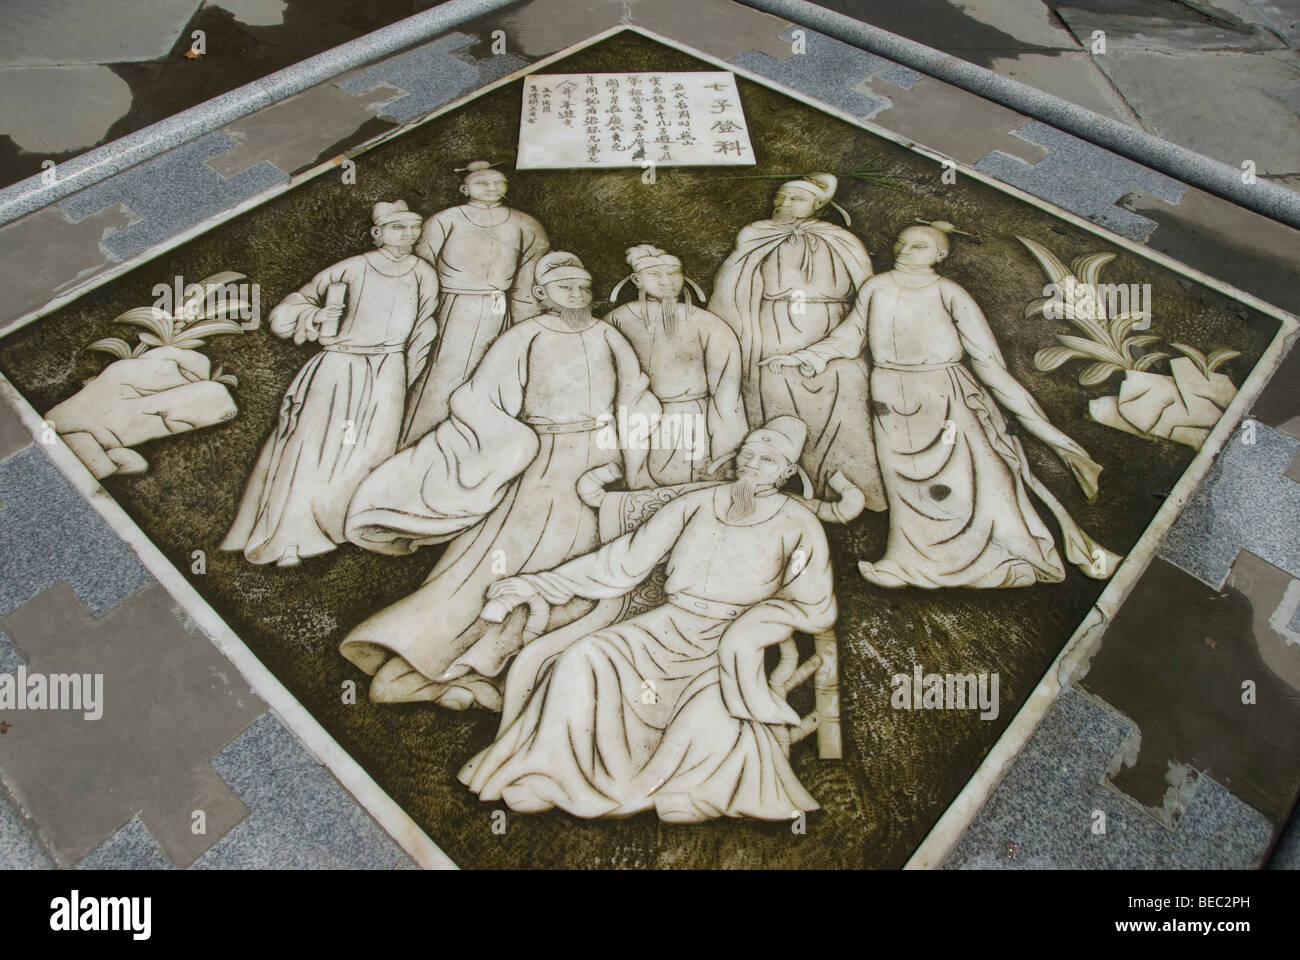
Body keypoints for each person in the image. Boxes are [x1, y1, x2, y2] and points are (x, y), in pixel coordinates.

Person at [459, 417, 836, 822]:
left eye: (765, 459)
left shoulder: (800, 524)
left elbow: (815, 605)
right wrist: (541, 584)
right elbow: (622, 561)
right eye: (747, 454)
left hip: (722, 643)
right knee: (585, 657)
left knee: (713, 712)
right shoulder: (696, 503)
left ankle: (684, 792)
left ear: (788, 471)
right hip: (664, 627)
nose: (750, 464)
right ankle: (550, 775)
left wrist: (753, 628)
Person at [340, 251, 661, 708]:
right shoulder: (524, 336)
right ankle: (431, 662)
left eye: (583, 286)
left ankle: (518, 671)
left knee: (586, 565)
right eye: (564, 286)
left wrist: (630, 457)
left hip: (600, 463)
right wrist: (515, 444)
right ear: (541, 294)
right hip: (541, 466)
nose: (576, 294)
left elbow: (635, 394)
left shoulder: (609, 336)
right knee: (508, 561)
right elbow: (480, 399)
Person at [765, 222, 1121, 588]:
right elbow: (852, 334)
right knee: (905, 482)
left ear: (940, 254)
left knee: (977, 476)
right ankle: (907, 563)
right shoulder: (876, 288)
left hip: (943, 391)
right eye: (900, 243)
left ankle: (1010, 556)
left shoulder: (949, 291)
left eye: (918, 246)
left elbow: (984, 355)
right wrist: (811, 356)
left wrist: (1016, 402)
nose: (904, 251)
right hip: (888, 391)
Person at [221, 200, 437, 567]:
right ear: (377, 233)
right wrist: (317, 315)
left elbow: (424, 325)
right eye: (399, 227)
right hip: (340, 366)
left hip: (389, 370)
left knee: (373, 449)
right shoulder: (351, 269)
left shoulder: (422, 272)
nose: (409, 234)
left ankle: (347, 528)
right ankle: (291, 536)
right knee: (315, 448)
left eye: (414, 227)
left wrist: (405, 372)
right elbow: (287, 312)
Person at [709, 173, 884, 508]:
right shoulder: (757, 234)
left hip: (834, 333)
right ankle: (773, 487)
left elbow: (868, 294)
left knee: (844, 412)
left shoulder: (841, 239)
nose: (785, 204)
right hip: (772, 333)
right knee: (777, 405)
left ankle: (848, 490)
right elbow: (733, 287)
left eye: (797, 198)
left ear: (818, 205)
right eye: (781, 197)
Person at [400, 161, 549, 446]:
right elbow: (422, 271)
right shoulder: (445, 220)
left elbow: (528, 277)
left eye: (498, 183)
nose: (492, 188)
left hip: (499, 307)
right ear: (464, 188)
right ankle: (418, 444)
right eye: (482, 183)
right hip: (451, 307)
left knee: (493, 374)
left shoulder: (525, 223)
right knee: (443, 372)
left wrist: (523, 322)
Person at [605, 244, 747, 484]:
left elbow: (727, 395)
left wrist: (726, 451)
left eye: (673, 273)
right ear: (636, 280)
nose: (666, 281)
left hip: (693, 421)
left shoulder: (708, 324)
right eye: (655, 274)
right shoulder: (617, 320)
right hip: (635, 421)